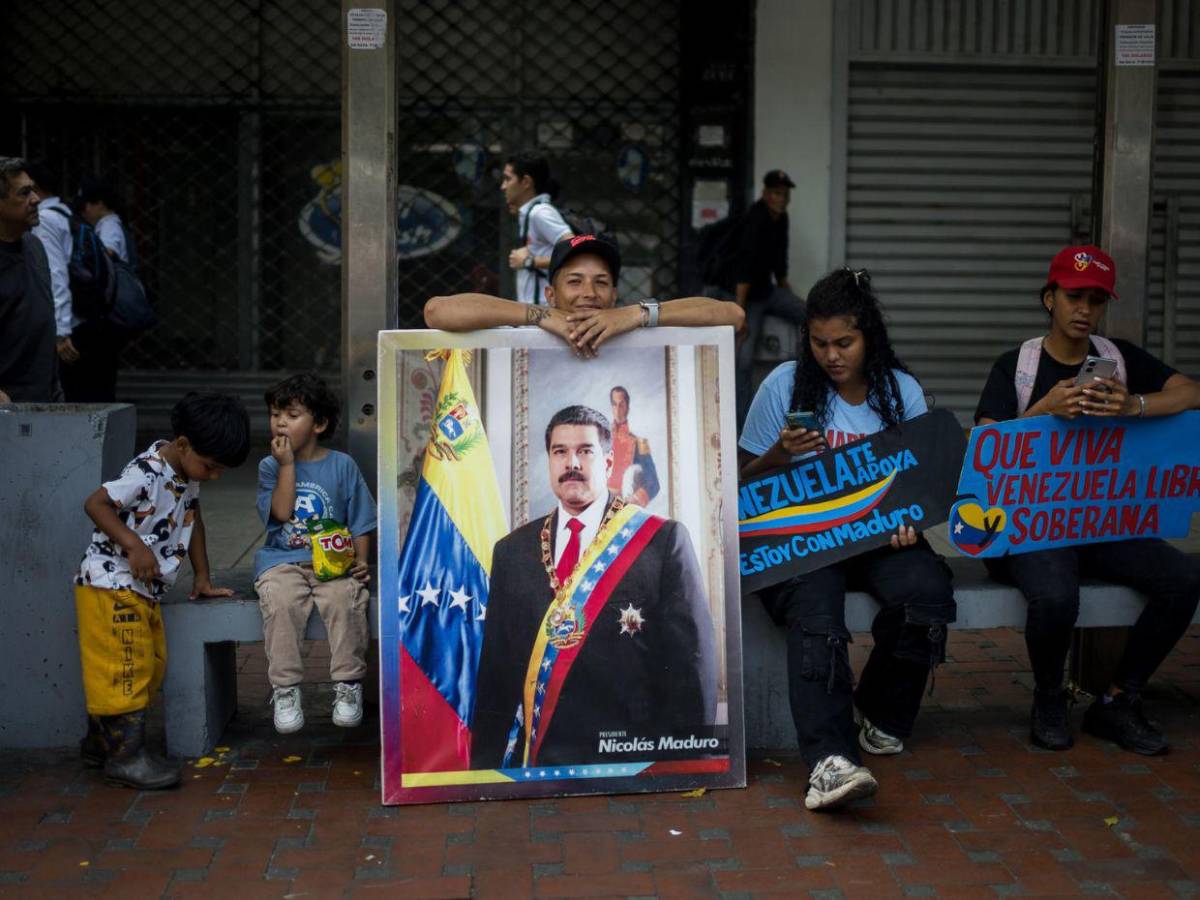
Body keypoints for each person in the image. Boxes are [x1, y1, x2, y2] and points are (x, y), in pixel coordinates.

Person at [739, 268, 955, 812]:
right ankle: (828, 761)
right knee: (816, 610)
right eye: (819, 343)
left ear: (868, 336)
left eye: (844, 343)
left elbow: (920, 481)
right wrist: (779, 455)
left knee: (927, 591)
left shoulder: (899, 391)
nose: (832, 356)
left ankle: (880, 710)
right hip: (803, 540)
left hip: (880, 539)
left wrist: (910, 521)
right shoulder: (784, 384)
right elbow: (742, 483)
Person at [975, 244, 1200, 756]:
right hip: (1028, 525)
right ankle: (1049, 696)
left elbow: (1191, 393)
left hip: (1098, 521)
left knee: (1184, 578)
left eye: (1096, 300)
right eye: (1074, 297)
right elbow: (986, 448)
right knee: (1057, 594)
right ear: (1049, 298)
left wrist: (1132, 404)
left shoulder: (1117, 359)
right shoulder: (1018, 366)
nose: (1084, 309)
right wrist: (1044, 408)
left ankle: (1119, 699)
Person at [470, 404, 718, 768]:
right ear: (550, 462)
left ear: (607, 462)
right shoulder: (512, 551)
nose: (572, 463)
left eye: (585, 451)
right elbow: (497, 674)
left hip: (632, 759)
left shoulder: (661, 541)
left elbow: (692, 665)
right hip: (542, 763)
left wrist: (690, 765)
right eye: (560, 452)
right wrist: (484, 774)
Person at [74, 393, 250, 789]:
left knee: (149, 664)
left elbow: (193, 521)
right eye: (211, 466)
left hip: (141, 589)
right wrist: (133, 545)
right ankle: (125, 757)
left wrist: (202, 576)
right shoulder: (147, 471)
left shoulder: (186, 475)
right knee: (126, 668)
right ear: (184, 444)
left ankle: (100, 744)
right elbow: (96, 503)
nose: (214, 476)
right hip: (110, 584)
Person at [254, 373, 376, 734]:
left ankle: (348, 684)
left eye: (292, 415)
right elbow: (281, 513)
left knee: (345, 600)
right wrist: (287, 465)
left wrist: (361, 561)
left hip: (333, 564)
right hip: (282, 561)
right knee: (280, 601)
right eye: (275, 414)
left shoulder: (342, 465)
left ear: (319, 424)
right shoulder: (269, 466)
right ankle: (286, 689)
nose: (280, 422)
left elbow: (361, 519)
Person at [424, 233, 745, 357]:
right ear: (551, 293)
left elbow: (733, 315)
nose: (589, 293)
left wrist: (637, 314)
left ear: (614, 294)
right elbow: (437, 311)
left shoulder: (637, 327)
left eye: (601, 282)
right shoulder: (528, 331)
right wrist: (541, 316)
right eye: (575, 281)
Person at [730, 170, 807, 426]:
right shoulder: (755, 219)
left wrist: (788, 293)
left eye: (784, 195)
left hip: (768, 291)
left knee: (810, 315)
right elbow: (744, 268)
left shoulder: (781, 218)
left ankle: (805, 385)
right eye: (776, 194)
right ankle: (742, 424)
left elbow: (780, 262)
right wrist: (740, 313)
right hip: (748, 296)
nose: (781, 199)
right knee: (743, 359)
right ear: (765, 194)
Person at [0, 157, 57, 402]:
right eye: (24, 193)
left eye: (33, 190)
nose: (36, 199)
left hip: (44, 400)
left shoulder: (34, 247)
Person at [501, 152, 573, 304]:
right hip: (536, 311)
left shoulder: (540, 213)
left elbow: (574, 250)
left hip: (544, 311)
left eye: (508, 179)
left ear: (526, 182)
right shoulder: (530, 213)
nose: (503, 186)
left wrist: (529, 261)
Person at [608, 385, 660, 506]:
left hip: (623, 504)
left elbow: (653, 483)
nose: (618, 409)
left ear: (628, 408)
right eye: (614, 404)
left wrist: (633, 500)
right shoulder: (601, 439)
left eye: (621, 405)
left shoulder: (641, 443)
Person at [77, 175, 134, 266]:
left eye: (84, 206)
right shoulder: (109, 224)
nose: (83, 212)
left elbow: (107, 254)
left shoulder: (109, 226)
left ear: (100, 204)